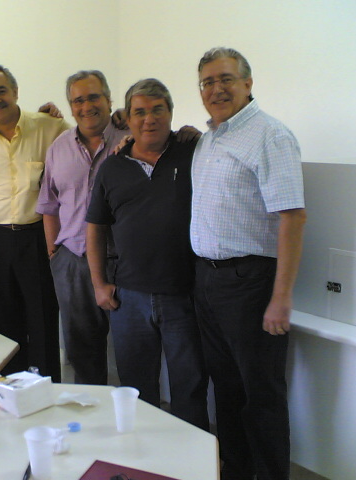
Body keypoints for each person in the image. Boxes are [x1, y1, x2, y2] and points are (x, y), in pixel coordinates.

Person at [191, 47, 306, 480]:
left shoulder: (270, 136)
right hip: (208, 281)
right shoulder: (208, 139)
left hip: (251, 283)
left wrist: (281, 297)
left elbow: (292, 216)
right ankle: (236, 471)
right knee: (226, 388)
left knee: (261, 394)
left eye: (225, 79)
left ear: (247, 83)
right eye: (207, 82)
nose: (216, 89)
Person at [86, 79, 209, 430]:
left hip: (184, 296)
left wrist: (196, 134)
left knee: (190, 387)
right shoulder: (112, 167)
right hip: (129, 300)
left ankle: (190, 456)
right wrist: (99, 284)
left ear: (170, 113)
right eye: (139, 112)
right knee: (136, 392)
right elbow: (95, 228)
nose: (149, 119)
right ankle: (142, 455)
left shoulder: (193, 153)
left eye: (158, 110)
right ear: (127, 118)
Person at [0, 65, 70, 381]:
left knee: (43, 320)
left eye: (1, 91)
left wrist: (119, 119)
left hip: (38, 238)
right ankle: (11, 391)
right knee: (4, 323)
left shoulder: (50, 126)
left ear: (15, 91)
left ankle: (46, 388)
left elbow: (87, 138)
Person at [36, 70, 125, 385]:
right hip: (73, 261)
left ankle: (133, 412)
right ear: (70, 107)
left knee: (133, 350)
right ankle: (91, 412)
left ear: (109, 100)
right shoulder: (58, 148)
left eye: (94, 97)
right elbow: (49, 205)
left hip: (123, 261)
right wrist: (55, 254)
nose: (86, 106)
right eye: (78, 100)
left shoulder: (131, 137)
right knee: (82, 354)